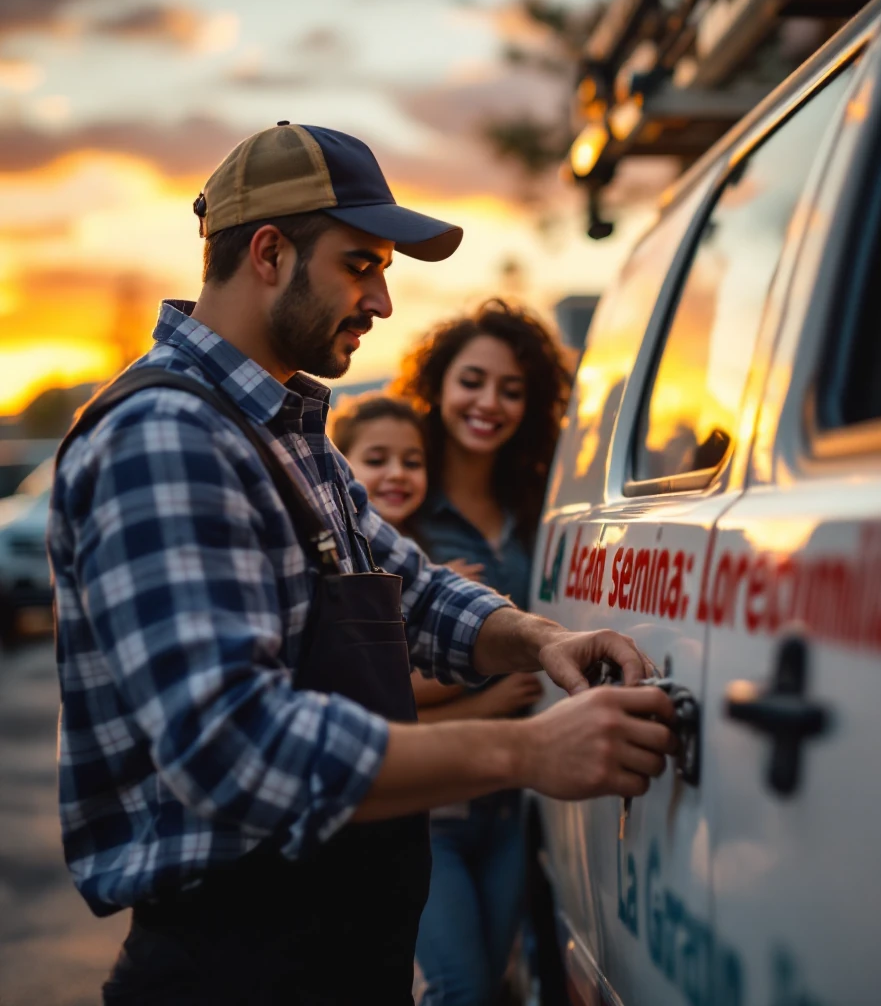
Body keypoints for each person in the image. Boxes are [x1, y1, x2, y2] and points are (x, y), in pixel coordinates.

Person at [46, 122, 677, 1006]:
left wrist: (541, 641)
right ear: (270, 253)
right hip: (235, 973)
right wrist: (527, 749)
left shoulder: (284, 430)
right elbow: (231, 745)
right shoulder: (166, 437)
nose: (381, 301)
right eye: (360, 265)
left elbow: (408, 594)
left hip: (327, 956)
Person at [390, 301, 567, 1005]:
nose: (489, 402)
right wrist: (492, 689)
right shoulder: (401, 514)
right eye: (472, 381)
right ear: (436, 385)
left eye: (512, 389)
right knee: (460, 990)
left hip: (518, 806)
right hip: (432, 811)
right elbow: (371, 690)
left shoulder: (540, 508)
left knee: (492, 988)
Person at [331, 393, 482, 582]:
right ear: (340, 465)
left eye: (412, 463)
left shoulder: (437, 536)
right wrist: (433, 584)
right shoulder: (343, 551)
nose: (398, 474)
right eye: (376, 461)